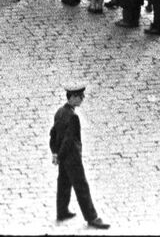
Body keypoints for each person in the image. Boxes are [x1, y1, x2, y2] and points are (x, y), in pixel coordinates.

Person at [51, 86, 109, 229]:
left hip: (62, 156)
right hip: (72, 158)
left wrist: (55, 153)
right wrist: (61, 155)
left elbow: (53, 134)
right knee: (81, 186)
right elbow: (69, 140)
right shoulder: (73, 117)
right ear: (71, 97)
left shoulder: (59, 112)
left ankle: (62, 211)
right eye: (79, 96)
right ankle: (92, 217)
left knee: (63, 183)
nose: (82, 98)